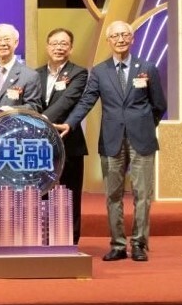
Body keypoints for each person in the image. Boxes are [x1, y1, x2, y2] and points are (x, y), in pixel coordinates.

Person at [62, 20, 167, 262]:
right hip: (111, 140)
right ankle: (118, 244)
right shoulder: (99, 71)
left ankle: (139, 244)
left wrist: (144, 125)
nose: (120, 39)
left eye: (124, 35)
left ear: (132, 39)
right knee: (113, 195)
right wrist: (70, 123)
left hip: (142, 140)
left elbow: (159, 105)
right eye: (115, 36)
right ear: (108, 41)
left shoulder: (147, 68)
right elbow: (87, 101)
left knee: (142, 194)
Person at [37, 27, 88, 244]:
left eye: (64, 43)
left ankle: (71, 240)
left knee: (70, 193)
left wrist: (42, 120)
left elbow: (68, 100)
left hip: (69, 140)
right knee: (42, 192)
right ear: (47, 46)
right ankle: (43, 237)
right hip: (40, 143)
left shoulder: (79, 73)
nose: (59, 47)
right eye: (55, 43)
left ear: (71, 47)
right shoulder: (35, 74)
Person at [0, 23, 43, 112]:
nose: (2, 43)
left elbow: (34, 107)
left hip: (13, 124)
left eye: (7, 39)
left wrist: (12, 110)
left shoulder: (30, 76)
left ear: (16, 42)